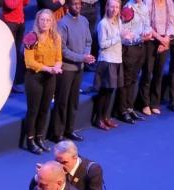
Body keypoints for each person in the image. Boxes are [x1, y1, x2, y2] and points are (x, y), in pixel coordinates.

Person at [49, 0, 94, 142]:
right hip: (67, 69)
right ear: (68, 7)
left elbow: (88, 41)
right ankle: (58, 132)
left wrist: (85, 56)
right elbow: (63, 50)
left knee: (74, 101)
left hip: (79, 68)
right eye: (75, 4)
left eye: (79, 4)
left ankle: (70, 129)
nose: (78, 6)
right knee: (62, 100)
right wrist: (82, 58)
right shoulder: (62, 23)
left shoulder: (84, 21)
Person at [23, 9, 62, 154]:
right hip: (34, 77)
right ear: (37, 21)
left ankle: (40, 138)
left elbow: (59, 58)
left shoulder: (56, 37)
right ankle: (30, 140)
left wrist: (57, 66)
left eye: (48, 20)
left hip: (50, 76)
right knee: (34, 110)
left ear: (52, 22)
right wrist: (48, 68)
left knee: (45, 109)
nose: (45, 23)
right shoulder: (31, 37)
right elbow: (29, 62)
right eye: (42, 20)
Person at [115, 0, 152, 124]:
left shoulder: (145, 7)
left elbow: (147, 24)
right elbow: (124, 33)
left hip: (141, 47)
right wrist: (140, 37)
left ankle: (130, 108)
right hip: (130, 49)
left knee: (134, 79)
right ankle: (122, 110)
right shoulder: (128, 7)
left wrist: (147, 32)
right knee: (127, 80)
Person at [136, 0, 174, 116]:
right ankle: (144, 103)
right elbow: (146, 23)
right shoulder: (148, 2)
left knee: (159, 73)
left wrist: (166, 40)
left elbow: (171, 22)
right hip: (152, 40)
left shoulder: (169, 2)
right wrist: (160, 38)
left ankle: (154, 103)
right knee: (147, 72)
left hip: (164, 42)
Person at [93, 0, 124, 131]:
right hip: (106, 61)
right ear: (107, 7)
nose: (114, 9)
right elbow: (102, 44)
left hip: (117, 59)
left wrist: (128, 37)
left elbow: (121, 39)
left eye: (117, 7)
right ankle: (98, 119)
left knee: (111, 91)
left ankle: (106, 117)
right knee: (104, 91)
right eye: (112, 6)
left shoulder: (119, 22)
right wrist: (119, 37)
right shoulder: (103, 24)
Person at [1, 0, 29, 93]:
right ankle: (7, 83)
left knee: (16, 54)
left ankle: (14, 81)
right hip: (10, 22)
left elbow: (25, 3)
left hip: (20, 22)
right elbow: (10, 5)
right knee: (9, 55)